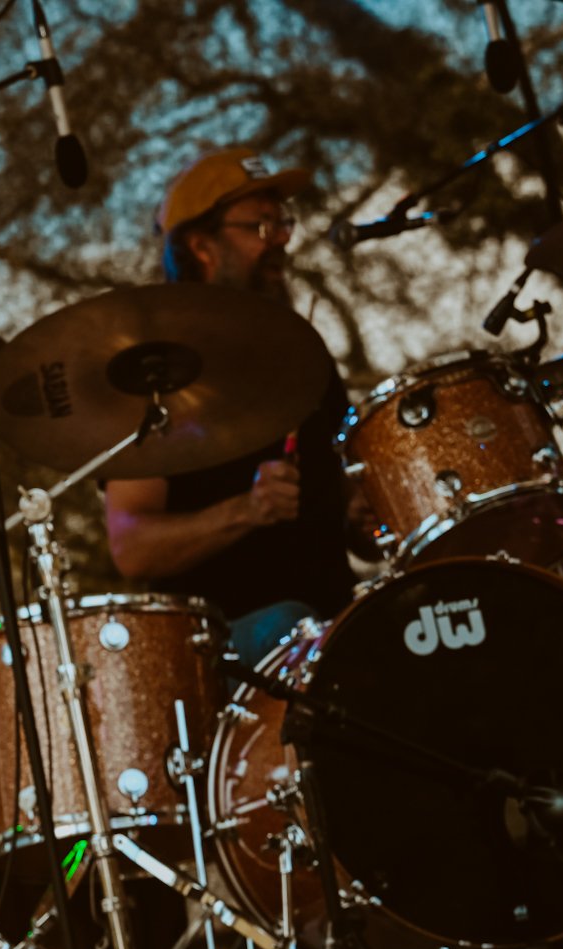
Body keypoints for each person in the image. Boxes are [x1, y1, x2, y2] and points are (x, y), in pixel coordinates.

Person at [102, 147, 366, 661]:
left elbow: (360, 529)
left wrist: (367, 513)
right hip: (221, 655)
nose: (284, 238)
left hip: (334, 630)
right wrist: (246, 511)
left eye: (284, 222)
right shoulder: (156, 374)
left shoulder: (303, 354)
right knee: (294, 626)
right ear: (202, 246)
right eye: (262, 227)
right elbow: (131, 546)